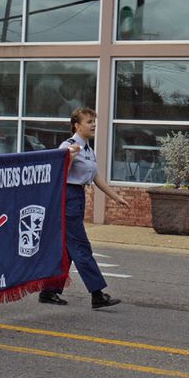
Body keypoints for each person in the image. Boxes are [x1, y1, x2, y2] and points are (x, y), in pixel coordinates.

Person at [39, 108, 130, 309]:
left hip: (78, 196)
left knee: (67, 249)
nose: (94, 125)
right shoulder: (69, 146)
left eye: (94, 121)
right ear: (77, 125)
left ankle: (49, 291)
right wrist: (70, 157)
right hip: (68, 197)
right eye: (89, 122)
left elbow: (96, 177)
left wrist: (116, 198)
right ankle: (97, 294)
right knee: (81, 246)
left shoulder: (88, 150)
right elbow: (59, 173)